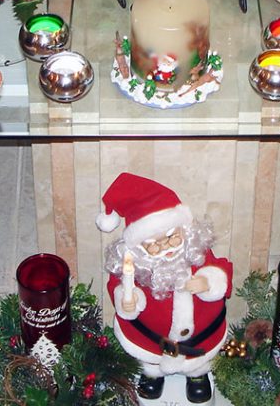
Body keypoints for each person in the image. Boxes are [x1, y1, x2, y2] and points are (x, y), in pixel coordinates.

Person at [97, 173, 232, 404]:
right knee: (150, 361)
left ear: (184, 230)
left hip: (201, 341)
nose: (166, 247)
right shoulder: (138, 267)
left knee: (198, 362)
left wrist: (208, 281)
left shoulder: (195, 252)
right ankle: (153, 375)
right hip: (150, 342)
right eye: (154, 245)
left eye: (172, 237)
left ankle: (197, 375)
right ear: (139, 247)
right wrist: (128, 300)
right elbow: (118, 285)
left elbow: (221, 268)